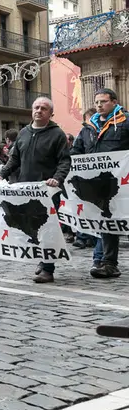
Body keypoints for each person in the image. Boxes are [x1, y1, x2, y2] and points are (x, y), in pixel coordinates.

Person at [0, 97, 71, 283]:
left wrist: (57, 178)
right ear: (32, 110)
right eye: (36, 107)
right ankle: (42, 257)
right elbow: (15, 159)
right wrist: (2, 174)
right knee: (31, 227)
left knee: (47, 227)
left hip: (48, 190)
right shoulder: (23, 133)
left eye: (44, 108)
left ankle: (48, 269)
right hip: (25, 191)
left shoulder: (57, 134)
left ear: (50, 114)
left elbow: (64, 161)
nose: (39, 110)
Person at [72, 89, 128, 278]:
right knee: (107, 222)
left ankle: (105, 261)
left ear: (114, 102)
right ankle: (107, 262)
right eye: (96, 102)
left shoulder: (125, 122)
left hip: (121, 182)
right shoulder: (89, 126)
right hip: (97, 184)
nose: (98, 105)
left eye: (103, 102)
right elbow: (76, 150)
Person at [72, 107, 99, 250]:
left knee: (99, 210)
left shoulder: (109, 129)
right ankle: (82, 237)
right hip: (87, 176)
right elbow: (76, 150)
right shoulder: (84, 132)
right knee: (84, 207)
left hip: (105, 177)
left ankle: (94, 238)